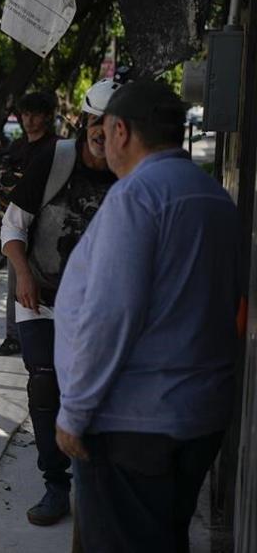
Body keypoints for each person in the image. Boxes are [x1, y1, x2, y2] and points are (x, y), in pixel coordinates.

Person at [54, 80, 241, 552]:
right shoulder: (213, 196)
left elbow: (110, 316)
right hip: (197, 417)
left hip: (134, 427)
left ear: (121, 131)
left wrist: (74, 412)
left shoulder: (137, 196)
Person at [0, 80, 120, 526]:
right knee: (45, 385)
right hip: (42, 299)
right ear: (84, 121)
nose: (103, 134)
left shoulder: (130, 172)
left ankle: (97, 484)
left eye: (113, 125)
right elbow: (12, 227)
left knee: (93, 392)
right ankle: (55, 484)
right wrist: (23, 274)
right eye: (96, 124)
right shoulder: (55, 159)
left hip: (98, 309)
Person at [0, 92, 59, 357]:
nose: (30, 120)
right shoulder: (18, 147)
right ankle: (14, 335)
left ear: (47, 117)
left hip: (49, 228)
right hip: (18, 224)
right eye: (26, 114)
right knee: (16, 283)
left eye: (35, 114)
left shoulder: (56, 149)